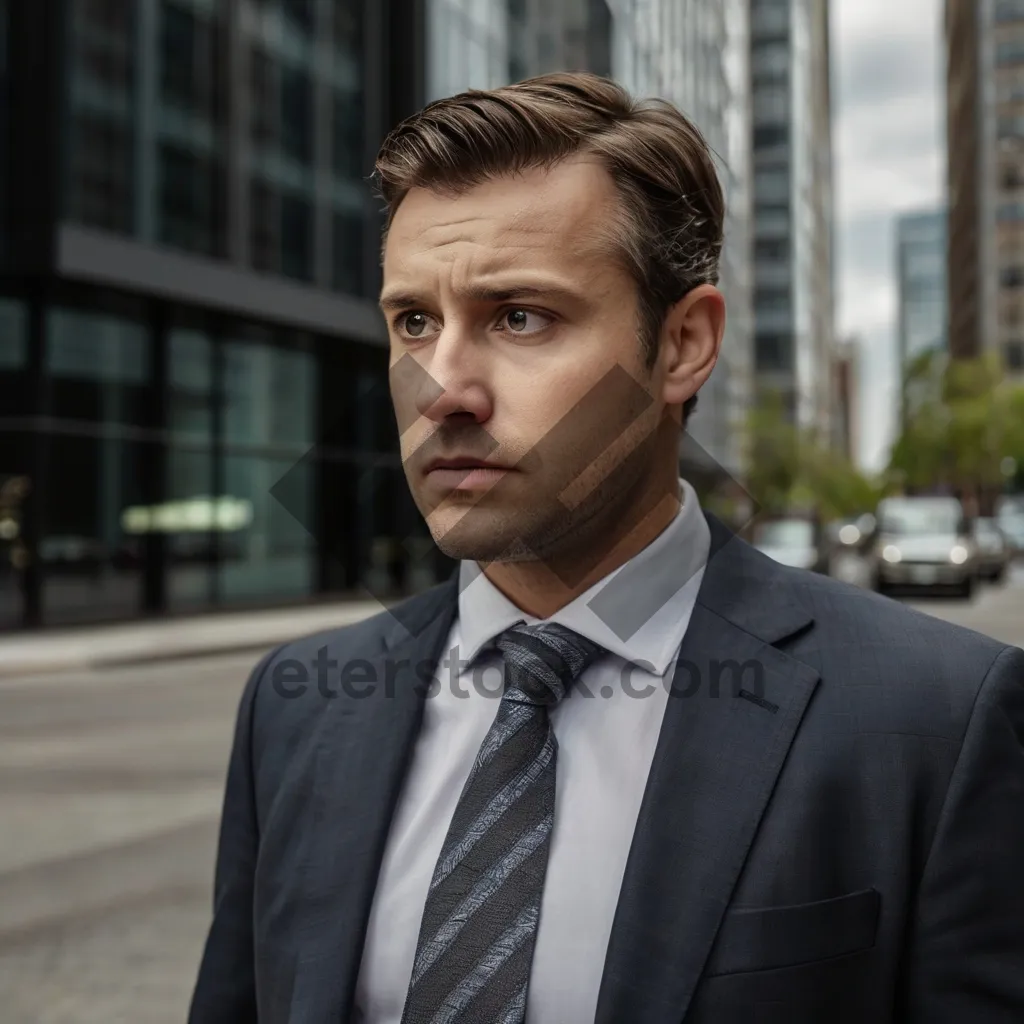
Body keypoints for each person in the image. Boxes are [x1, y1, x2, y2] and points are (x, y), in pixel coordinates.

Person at [188, 73, 1024, 1024]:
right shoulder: (291, 713)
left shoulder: (939, 721)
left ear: (682, 346)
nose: (443, 389)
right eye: (414, 321)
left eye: (520, 317)